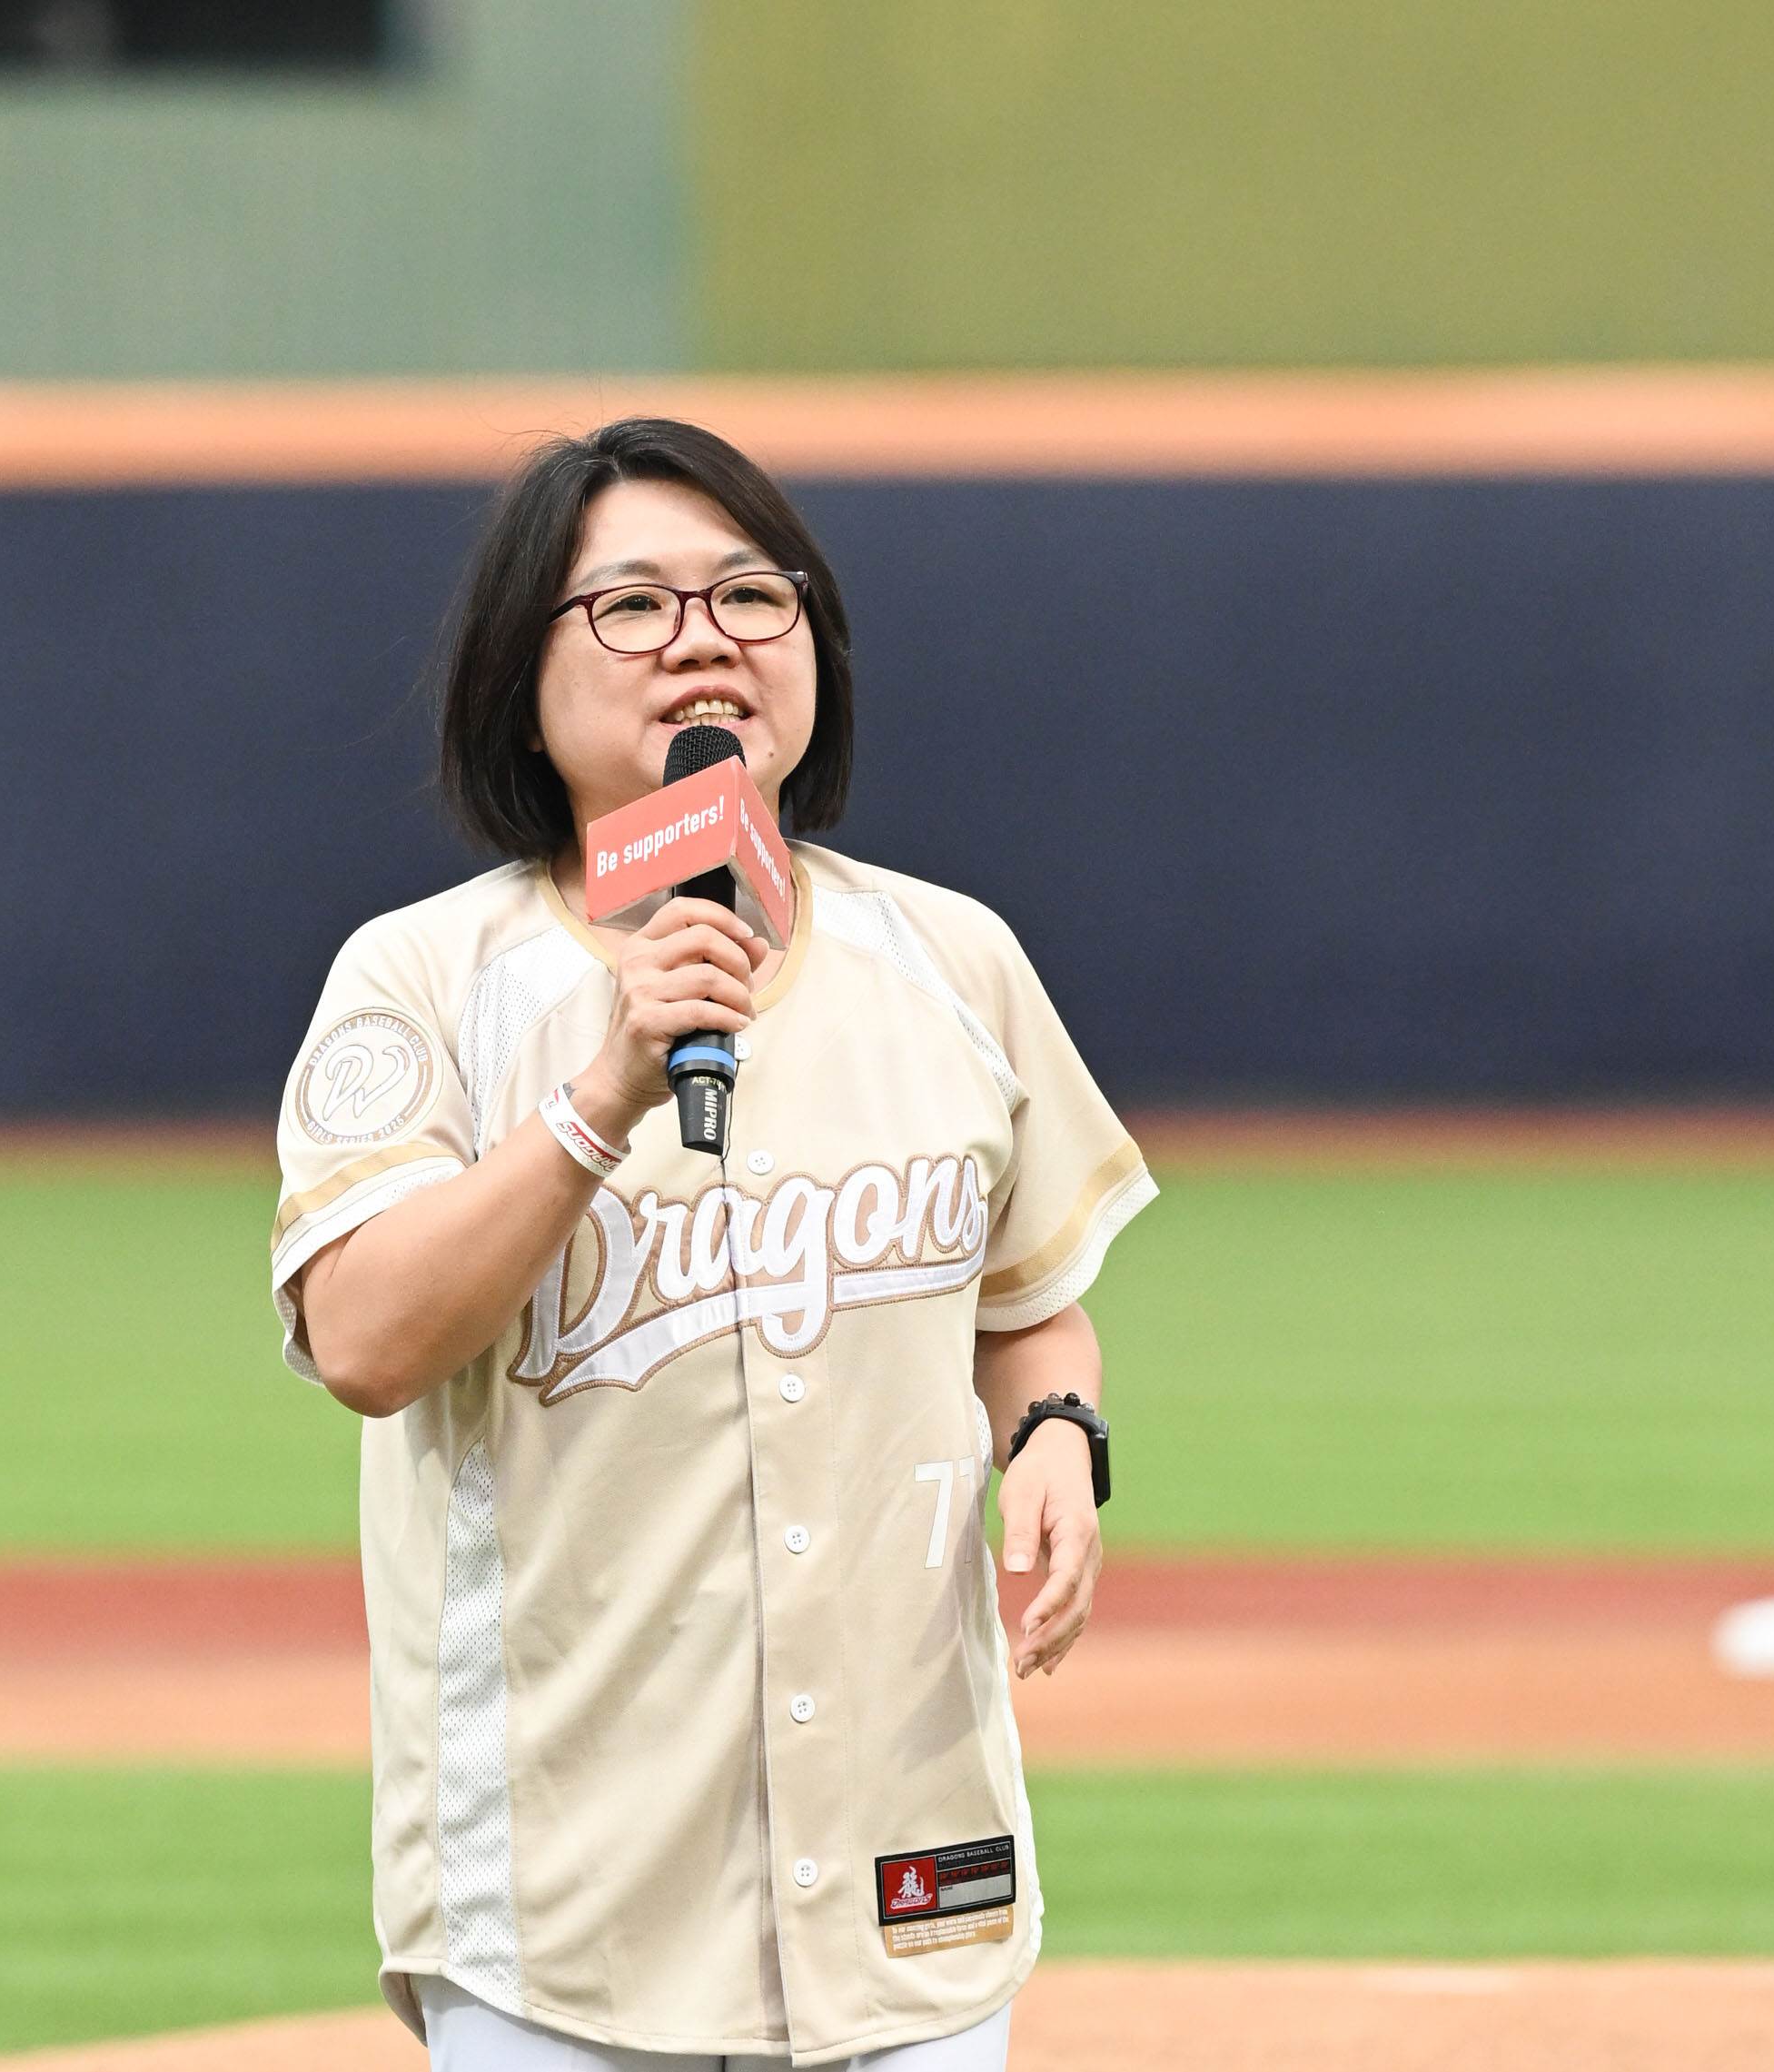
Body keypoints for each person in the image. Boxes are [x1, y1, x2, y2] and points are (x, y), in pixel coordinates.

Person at [269, 417, 1155, 2070]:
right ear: (517, 669)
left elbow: (1029, 1307)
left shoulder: (951, 962)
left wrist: (1054, 1433)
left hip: (911, 1879)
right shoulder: (423, 984)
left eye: (754, 595)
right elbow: (367, 1341)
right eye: (632, 605)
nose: (704, 638)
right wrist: (601, 1092)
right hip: (565, 1902)